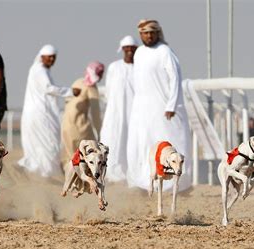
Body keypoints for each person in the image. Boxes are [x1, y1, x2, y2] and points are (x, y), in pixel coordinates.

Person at [126, 19, 191, 191]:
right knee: (140, 143)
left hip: (162, 108)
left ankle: (172, 184)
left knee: (166, 142)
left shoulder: (165, 51)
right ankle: (144, 181)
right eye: (145, 33)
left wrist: (171, 105)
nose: (149, 36)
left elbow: (175, 78)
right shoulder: (138, 53)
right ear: (140, 34)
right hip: (141, 108)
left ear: (157, 33)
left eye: (152, 32)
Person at [18, 45, 72, 177]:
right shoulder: (39, 70)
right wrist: (70, 91)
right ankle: (45, 173)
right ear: (42, 57)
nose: (52, 59)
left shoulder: (39, 70)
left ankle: (39, 172)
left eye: (54, 57)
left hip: (38, 114)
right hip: (41, 115)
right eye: (49, 57)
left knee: (43, 144)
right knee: (48, 143)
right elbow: (49, 88)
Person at [100, 35, 138, 182]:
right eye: (126, 47)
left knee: (132, 142)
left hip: (134, 113)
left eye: (132, 47)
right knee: (114, 140)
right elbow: (109, 91)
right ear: (122, 49)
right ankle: (113, 175)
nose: (129, 50)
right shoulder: (114, 67)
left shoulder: (140, 66)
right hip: (115, 113)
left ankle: (132, 174)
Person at [61, 61, 104, 165]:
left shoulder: (78, 82)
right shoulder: (92, 87)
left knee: (71, 158)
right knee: (91, 155)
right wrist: (99, 132)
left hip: (65, 126)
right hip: (80, 128)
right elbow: (95, 113)